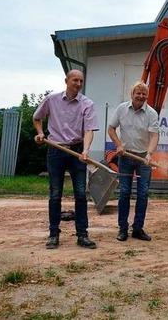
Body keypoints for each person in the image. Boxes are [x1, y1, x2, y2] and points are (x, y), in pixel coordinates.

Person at [33, 69, 99, 249]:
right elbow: (36, 117)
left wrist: (85, 150)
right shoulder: (51, 100)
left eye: (81, 81)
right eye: (75, 80)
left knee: (80, 194)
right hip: (55, 150)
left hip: (77, 152)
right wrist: (40, 134)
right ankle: (54, 234)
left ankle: (82, 235)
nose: (78, 84)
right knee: (55, 194)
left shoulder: (87, 104)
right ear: (66, 81)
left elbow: (89, 130)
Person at [108, 81, 159, 242]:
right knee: (124, 193)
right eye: (138, 93)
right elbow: (111, 128)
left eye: (144, 93)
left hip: (143, 158)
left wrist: (150, 153)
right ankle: (123, 229)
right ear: (132, 94)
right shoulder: (122, 109)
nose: (141, 96)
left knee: (143, 194)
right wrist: (118, 145)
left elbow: (154, 136)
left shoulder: (151, 113)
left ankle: (137, 228)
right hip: (125, 157)